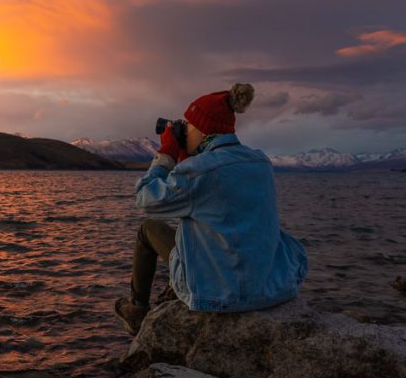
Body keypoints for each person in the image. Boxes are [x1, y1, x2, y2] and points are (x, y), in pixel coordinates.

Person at [114, 83, 309, 335]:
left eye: (187, 126)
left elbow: (145, 198)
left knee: (148, 229)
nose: (183, 132)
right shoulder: (260, 161)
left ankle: (137, 310)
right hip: (272, 287)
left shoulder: (200, 171)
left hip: (220, 295)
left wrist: (166, 154)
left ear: (202, 129)